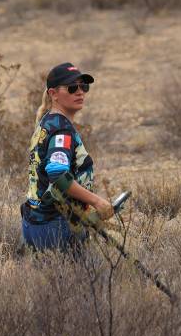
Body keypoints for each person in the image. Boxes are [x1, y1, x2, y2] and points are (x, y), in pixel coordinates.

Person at [21, 63, 114, 254]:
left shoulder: (47, 121)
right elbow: (58, 174)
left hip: (37, 222)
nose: (80, 92)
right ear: (53, 94)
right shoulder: (61, 131)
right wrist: (97, 201)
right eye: (72, 88)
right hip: (55, 225)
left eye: (83, 87)